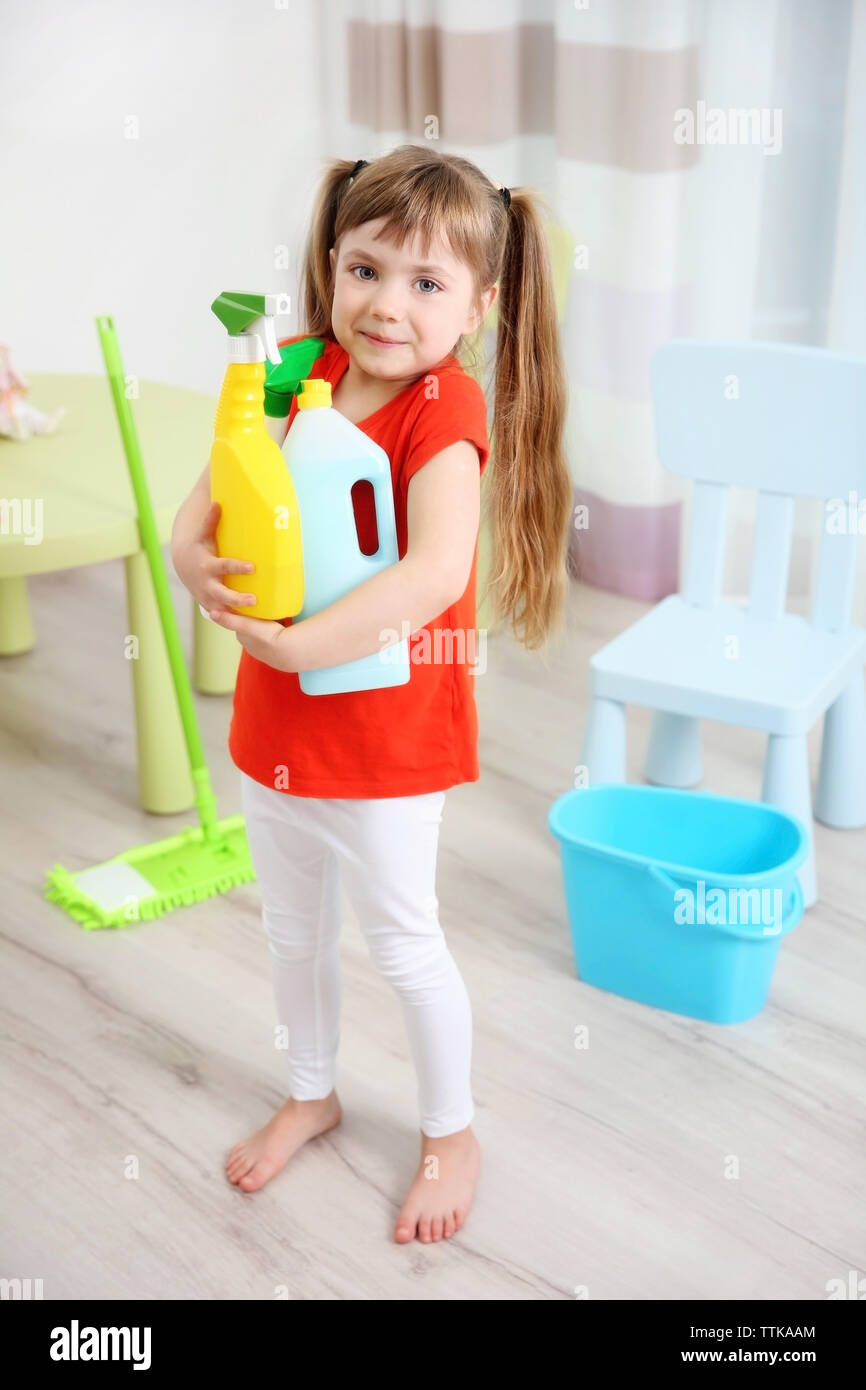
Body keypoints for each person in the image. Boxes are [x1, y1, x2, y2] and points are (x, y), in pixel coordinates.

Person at [171, 144, 572, 1245]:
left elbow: (435, 573)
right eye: (364, 270)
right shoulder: (294, 364)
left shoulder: (443, 412)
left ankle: (452, 1128)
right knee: (292, 933)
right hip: (277, 731)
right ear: (331, 263)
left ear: (479, 306)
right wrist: (186, 556)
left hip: (385, 742)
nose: (385, 306)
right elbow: (200, 498)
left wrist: (301, 651)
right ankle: (313, 1088)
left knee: (401, 942)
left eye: (425, 283)